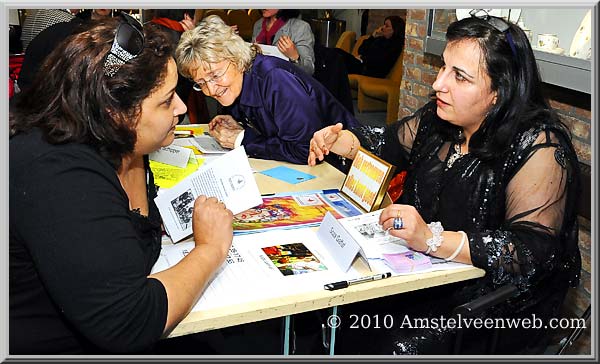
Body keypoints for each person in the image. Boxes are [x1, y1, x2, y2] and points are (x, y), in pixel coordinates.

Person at [308, 13, 581, 354]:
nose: (439, 84)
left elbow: (528, 253)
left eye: (460, 77)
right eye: (443, 67)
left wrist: (430, 239)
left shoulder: (540, 146)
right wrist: (344, 141)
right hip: (423, 277)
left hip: (489, 309)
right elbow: (388, 142)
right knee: (326, 306)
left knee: (372, 334)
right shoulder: (441, 120)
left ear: (499, 91)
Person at [9, 14, 233, 354]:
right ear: (116, 113)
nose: (183, 107)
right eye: (167, 99)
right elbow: (129, 320)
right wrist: (211, 249)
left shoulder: (120, 144)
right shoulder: (60, 175)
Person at [176, 15, 359, 165]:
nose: (211, 90)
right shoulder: (238, 82)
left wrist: (241, 139)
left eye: (215, 76)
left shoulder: (275, 80)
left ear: (237, 58)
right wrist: (239, 123)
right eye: (201, 83)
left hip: (344, 167)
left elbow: (305, 150)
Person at [150, 9, 209, 123]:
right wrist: (195, 40)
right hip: (177, 112)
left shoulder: (146, 30)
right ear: (187, 16)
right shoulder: (187, 41)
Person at [336, 15, 405, 78]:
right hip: (361, 65)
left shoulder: (395, 45)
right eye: (384, 25)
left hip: (370, 71)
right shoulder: (380, 39)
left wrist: (363, 59)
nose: (382, 28)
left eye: (387, 26)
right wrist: (372, 36)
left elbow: (380, 60)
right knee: (336, 54)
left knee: (338, 55)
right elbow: (361, 50)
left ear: (395, 30)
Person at [252, 9, 315, 75]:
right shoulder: (258, 24)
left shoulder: (300, 27)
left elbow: (309, 70)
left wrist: (294, 57)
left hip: (284, 82)